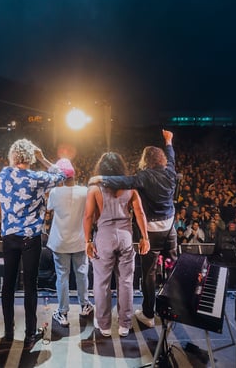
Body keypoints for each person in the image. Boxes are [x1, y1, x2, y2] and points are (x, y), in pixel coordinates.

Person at [88, 129, 177, 329]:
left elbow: (127, 181)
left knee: (149, 274)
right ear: (161, 160)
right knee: (172, 268)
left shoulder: (144, 176)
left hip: (151, 230)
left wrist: (101, 178)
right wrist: (169, 142)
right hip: (170, 228)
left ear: (146, 160)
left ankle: (148, 314)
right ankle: (173, 312)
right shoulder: (171, 171)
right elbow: (171, 157)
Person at [0, 139, 67, 346]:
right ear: (30, 157)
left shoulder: (4, 174)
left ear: (13, 156)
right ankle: (29, 335)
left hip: (9, 237)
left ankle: (8, 332)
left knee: (8, 285)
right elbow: (63, 175)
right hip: (30, 238)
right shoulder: (38, 178)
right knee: (30, 286)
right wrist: (43, 158)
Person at [84, 152, 150, 337]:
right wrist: (145, 237)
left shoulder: (95, 189)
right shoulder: (131, 188)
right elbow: (140, 213)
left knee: (101, 282)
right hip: (125, 236)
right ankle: (124, 325)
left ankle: (104, 325)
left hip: (104, 237)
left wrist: (87, 240)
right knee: (126, 282)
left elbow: (88, 216)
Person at [45, 158, 94, 328]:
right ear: (74, 174)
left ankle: (63, 312)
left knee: (62, 276)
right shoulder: (84, 191)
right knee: (82, 274)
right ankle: (85, 305)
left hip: (60, 242)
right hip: (79, 240)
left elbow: (49, 208)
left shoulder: (54, 193)